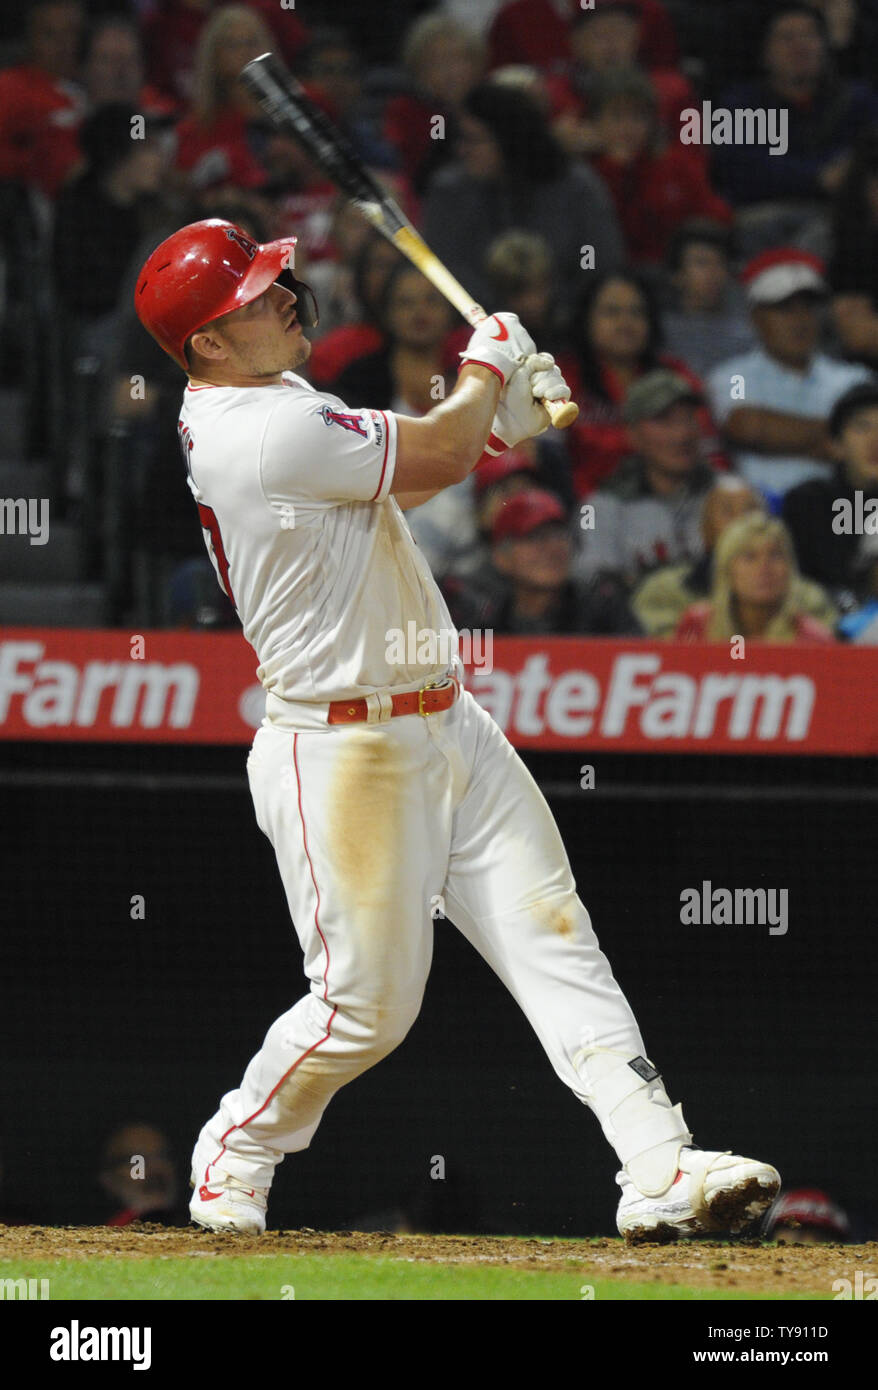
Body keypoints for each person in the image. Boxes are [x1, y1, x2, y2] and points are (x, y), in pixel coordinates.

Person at [133, 216, 780, 1242]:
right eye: (253, 298)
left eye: (274, 281)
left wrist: (494, 420)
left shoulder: (273, 397)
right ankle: (237, 1145)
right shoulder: (254, 430)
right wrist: (483, 370)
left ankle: (657, 1163)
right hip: (341, 750)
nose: (285, 297)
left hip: (446, 719)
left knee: (554, 934)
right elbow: (428, 447)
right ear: (206, 342)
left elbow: (415, 468)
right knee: (365, 1008)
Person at [421, 80, 624, 311]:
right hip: (476, 329)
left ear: (508, 141)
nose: (462, 150)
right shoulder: (449, 193)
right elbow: (445, 271)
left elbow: (595, 259)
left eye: (474, 140)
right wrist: (505, 312)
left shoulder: (576, 188)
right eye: (461, 138)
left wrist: (554, 304)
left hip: (569, 324)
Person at [707, 248, 872, 508]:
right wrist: (843, 435)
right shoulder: (735, 377)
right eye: (784, 308)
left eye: (808, 307)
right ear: (756, 318)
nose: (800, 320)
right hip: (766, 517)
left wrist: (780, 438)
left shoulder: (853, 378)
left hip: (846, 511)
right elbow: (743, 424)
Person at [560, 271, 723, 498]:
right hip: (588, 509)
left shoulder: (677, 375)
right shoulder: (559, 378)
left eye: (637, 312)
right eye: (611, 312)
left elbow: (709, 450)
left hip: (679, 504)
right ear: (586, 319)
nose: (626, 323)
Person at [713, 3, 878, 211]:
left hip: (844, 213)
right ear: (765, 53)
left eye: (810, 35)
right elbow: (735, 169)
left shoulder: (857, 100)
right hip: (765, 214)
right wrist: (817, 177)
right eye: (786, 38)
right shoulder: (741, 105)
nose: (800, 46)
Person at [632, 475, 837, 635]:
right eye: (727, 511)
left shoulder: (808, 599)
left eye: (750, 511)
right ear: (705, 529)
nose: (741, 521)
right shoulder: (663, 591)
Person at [576, 369, 718, 592]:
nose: (682, 434)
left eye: (688, 418)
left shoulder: (729, 495)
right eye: (664, 421)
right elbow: (595, 584)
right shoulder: (604, 507)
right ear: (632, 434)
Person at [586, 67, 732, 268]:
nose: (627, 128)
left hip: (675, 274)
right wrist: (616, 170)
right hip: (610, 276)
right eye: (617, 116)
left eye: (637, 117)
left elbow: (716, 218)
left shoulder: (675, 165)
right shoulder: (584, 173)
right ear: (595, 122)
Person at [445, 486, 641, 635]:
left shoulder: (603, 611)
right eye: (534, 537)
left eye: (559, 535)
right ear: (501, 557)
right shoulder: (484, 623)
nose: (552, 548)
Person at [782, 380, 878, 609]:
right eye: (862, 427)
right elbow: (796, 585)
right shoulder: (806, 502)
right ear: (835, 445)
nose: (875, 440)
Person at [675, 512, 835, 644]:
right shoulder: (697, 624)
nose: (764, 568)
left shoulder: (815, 639)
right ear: (727, 570)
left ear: (790, 569)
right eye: (750, 557)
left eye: (775, 555)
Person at [0, 0, 85, 200]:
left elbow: (141, 121)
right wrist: (32, 163)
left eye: (71, 34)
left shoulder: (101, 83)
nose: (63, 45)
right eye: (51, 35)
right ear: (31, 39)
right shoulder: (11, 88)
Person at [661, 220, 757, 379]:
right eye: (702, 263)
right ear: (677, 275)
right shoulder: (661, 333)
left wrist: (737, 399)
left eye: (720, 263)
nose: (713, 273)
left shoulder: (748, 330)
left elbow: (741, 388)